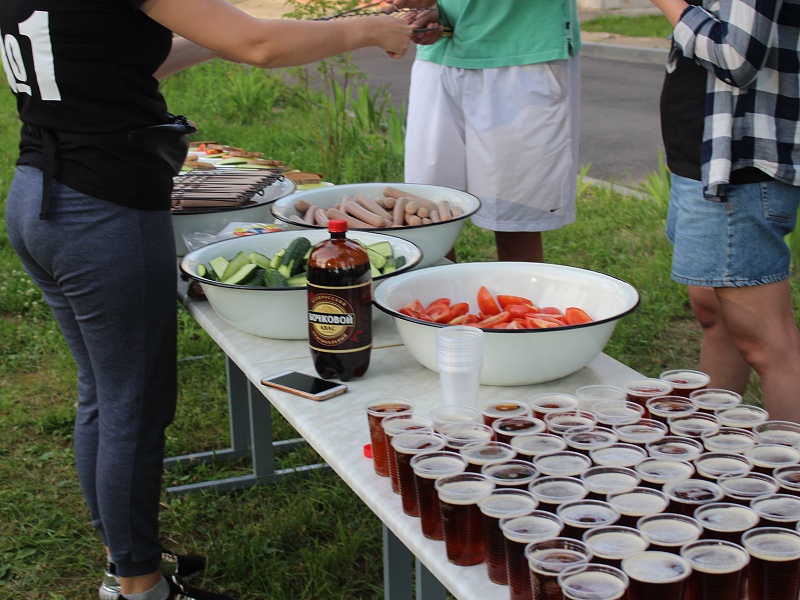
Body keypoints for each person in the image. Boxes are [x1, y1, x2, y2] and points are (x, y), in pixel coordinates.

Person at [0, 2, 411, 600]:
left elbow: (110, 60)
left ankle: (126, 558)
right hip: (102, 208)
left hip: (41, 193)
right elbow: (261, 45)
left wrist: (218, 39)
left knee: (106, 394)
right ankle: (140, 587)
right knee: (133, 406)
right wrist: (369, 30)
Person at [652, 0, 800, 422]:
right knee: (715, 314)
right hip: (705, 163)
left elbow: (736, 57)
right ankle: (711, 445)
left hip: (737, 169)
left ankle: (788, 461)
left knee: (767, 342)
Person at [390, 0, 582, 262]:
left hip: (521, 49)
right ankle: (440, 290)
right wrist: (432, 11)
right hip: (440, 51)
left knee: (514, 222)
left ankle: (519, 291)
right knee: (428, 219)